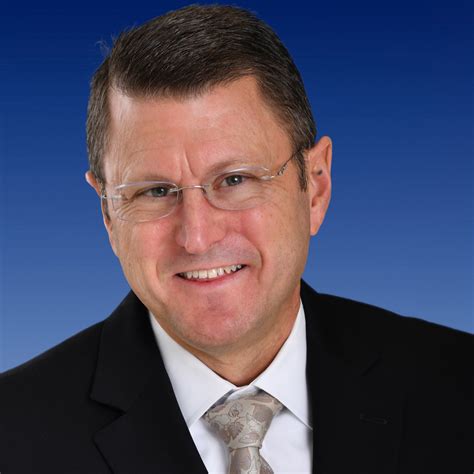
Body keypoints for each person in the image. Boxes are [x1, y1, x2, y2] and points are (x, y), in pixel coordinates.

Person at [0, 5, 471, 474]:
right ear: (107, 212)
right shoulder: (12, 434)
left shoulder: (458, 386)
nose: (197, 237)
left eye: (235, 180)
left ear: (316, 187)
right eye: (155, 191)